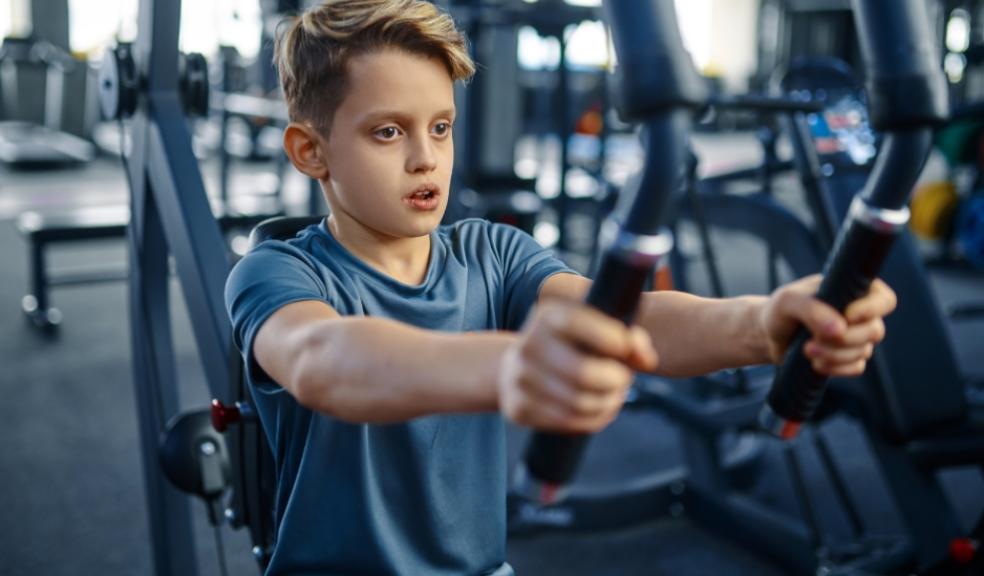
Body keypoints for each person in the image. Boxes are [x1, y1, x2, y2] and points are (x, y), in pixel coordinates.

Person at [224, 1, 897, 573]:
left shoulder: (493, 252)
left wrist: (762, 322)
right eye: (388, 132)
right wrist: (513, 364)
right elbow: (326, 361)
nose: (425, 157)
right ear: (311, 152)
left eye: (441, 128)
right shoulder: (279, 271)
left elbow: (624, 320)